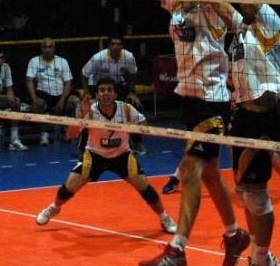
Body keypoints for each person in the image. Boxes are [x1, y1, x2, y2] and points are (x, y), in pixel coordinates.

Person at [91, 0, 249, 266]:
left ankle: (178, 249)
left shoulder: (214, 8)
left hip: (212, 102)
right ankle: (233, 234)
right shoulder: (178, 4)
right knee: (209, 173)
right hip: (188, 100)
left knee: (190, 170)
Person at [206, 0, 280, 266]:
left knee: (253, 193)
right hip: (242, 118)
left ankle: (261, 259)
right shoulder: (240, 27)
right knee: (243, 191)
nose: (241, 1)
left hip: (262, 118)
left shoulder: (269, 24)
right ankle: (260, 255)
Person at [36, 78, 177, 233]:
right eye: (102, 90)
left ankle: (164, 218)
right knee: (69, 186)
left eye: (110, 90)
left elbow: (144, 125)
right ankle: (54, 207)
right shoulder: (90, 111)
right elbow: (70, 135)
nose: (106, 93)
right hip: (95, 156)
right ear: (97, 94)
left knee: (145, 187)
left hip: (122, 155)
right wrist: (82, 115)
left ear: (115, 94)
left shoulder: (126, 109)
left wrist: (135, 127)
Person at [80, 33, 148, 154]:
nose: (116, 47)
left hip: (117, 86)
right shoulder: (98, 58)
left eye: (118, 44)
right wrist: (87, 93)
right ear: (108, 46)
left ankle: (137, 142)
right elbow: (84, 73)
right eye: (113, 44)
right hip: (98, 87)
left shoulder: (128, 57)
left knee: (134, 104)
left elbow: (133, 74)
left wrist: (132, 92)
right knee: (88, 112)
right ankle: (83, 147)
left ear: (122, 46)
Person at [26, 37, 79, 146]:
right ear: (41, 49)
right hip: (43, 94)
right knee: (36, 106)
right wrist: (34, 99)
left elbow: (68, 83)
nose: (47, 49)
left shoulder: (62, 61)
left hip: (60, 95)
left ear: (54, 49)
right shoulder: (34, 61)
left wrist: (62, 100)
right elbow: (29, 80)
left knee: (76, 101)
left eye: (50, 47)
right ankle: (44, 134)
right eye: (45, 47)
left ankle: (74, 132)